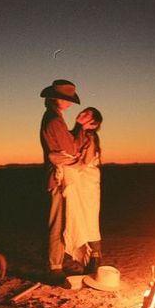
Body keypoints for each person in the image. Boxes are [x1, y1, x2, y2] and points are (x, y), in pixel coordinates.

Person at [39, 80, 96, 286]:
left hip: (60, 176)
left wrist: (78, 131)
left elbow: (67, 145)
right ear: (58, 99)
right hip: (59, 177)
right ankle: (54, 267)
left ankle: (58, 263)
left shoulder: (55, 118)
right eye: (68, 100)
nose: (71, 104)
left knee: (62, 221)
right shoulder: (54, 120)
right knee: (57, 223)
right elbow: (70, 149)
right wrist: (81, 129)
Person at [56, 107, 103, 274]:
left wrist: (62, 163)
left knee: (90, 219)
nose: (80, 115)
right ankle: (85, 256)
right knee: (77, 215)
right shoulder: (74, 134)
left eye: (86, 115)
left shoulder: (90, 136)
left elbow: (86, 162)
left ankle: (95, 257)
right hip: (78, 179)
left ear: (93, 123)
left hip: (87, 180)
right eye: (82, 112)